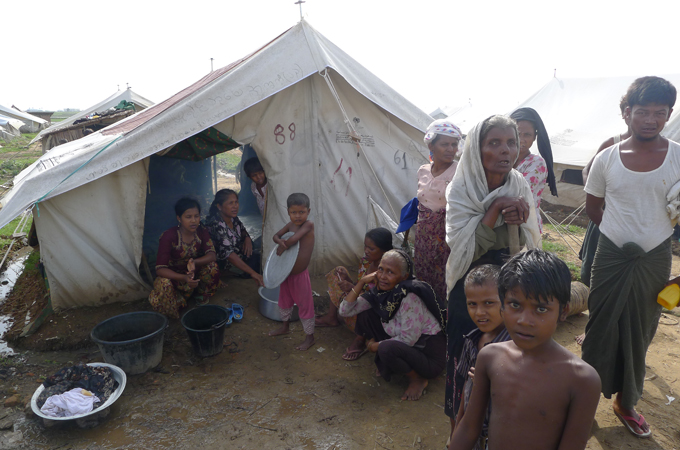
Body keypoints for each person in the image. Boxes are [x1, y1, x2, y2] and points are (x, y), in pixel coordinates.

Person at [582, 76, 678, 438]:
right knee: (599, 327)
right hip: (609, 256)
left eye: (659, 112)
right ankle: (583, 399)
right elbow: (594, 208)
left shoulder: (679, 156)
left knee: (642, 329)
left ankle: (626, 402)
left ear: (669, 113)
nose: (651, 119)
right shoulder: (607, 158)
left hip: (656, 259)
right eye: (642, 111)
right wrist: (618, 235)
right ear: (626, 112)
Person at [450, 250, 601, 450]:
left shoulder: (582, 380)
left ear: (563, 311)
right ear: (502, 306)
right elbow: (469, 427)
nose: (524, 320)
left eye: (541, 309)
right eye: (515, 305)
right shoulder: (489, 357)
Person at [443, 115, 540, 424]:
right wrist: (497, 207)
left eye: (511, 142)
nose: (505, 150)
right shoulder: (461, 189)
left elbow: (523, 241)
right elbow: (464, 247)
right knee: (464, 351)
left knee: (504, 351)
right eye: (494, 143)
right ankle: (458, 425)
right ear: (477, 149)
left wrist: (519, 219)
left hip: (506, 284)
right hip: (469, 286)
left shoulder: (518, 184)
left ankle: (494, 422)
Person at [338, 249, 447, 401]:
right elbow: (345, 311)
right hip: (409, 348)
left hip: (428, 358)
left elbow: (409, 339)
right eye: (380, 269)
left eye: (390, 272)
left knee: (385, 348)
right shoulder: (380, 293)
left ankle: (417, 379)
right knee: (366, 312)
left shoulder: (409, 297)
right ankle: (390, 361)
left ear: (404, 277)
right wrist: (361, 282)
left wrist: (375, 346)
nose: (382, 276)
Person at [575, 95, 631, 346]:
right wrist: (596, 191)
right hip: (604, 217)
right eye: (636, 112)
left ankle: (618, 331)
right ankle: (593, 327)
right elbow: (587, 170)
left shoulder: (662, 150)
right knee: (595, 273)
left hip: (634, 223)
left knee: (625, 276)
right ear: (626, 114)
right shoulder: (613, 143)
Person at [450, 265, 510, 450]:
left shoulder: (515, 348)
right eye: (472, 304)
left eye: (489, 303)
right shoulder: (472, 340)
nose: (479, 312)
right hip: (473, 434)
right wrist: (458, 428)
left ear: (506, 301)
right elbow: (465, 388)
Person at [314, 227, 393, 361]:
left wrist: (352, 288)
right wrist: (349, 281)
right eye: (365, 246)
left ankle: (360, 338)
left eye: (371, 249)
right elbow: (362, 284)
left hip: (370, 316)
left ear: (384, 251)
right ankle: (331, 317)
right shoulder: (366, 262)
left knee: (366, 309)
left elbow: (377, 300)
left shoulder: (386, 273)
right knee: (338, 272)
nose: (366, 250)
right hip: (353, 304)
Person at [415, 119, 463, 300]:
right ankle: (424, 309)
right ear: (431, 146)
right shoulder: (423, 171)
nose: (451, 149)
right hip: (424, 236)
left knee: (445, 278)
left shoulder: (460, 172)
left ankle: (444, 313)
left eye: (454, 144)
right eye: (445, 144)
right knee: (424, 274)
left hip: (447, 238)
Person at [149, 198, 220, 318]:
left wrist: (195, 262)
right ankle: (178, 305)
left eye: (196, 216)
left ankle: (200, 295)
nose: (193, 220)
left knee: (212, 267)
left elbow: (212, 255)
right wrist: (184, 278)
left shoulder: (201, 230)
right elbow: (160, 269)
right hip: (175, 279)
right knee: (163, 284)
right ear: (179, 218)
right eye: (188, 217)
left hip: (193, 275)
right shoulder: (169, 236)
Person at [268, 193, 316, 351]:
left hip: (300, 275)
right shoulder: (290, 225)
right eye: (294, 212)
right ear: (288, 212)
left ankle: (310, 337)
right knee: (285, 300)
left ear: (308, 211)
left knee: (304, 304)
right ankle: (285, 327)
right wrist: (279, 241)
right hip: (286, 273)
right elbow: (275, 236)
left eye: (302, 212)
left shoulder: (308, 225)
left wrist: (283, 245)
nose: (298, 216)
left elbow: (294, 239)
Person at [509, 107, 557, 233]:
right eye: (517, 133)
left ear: (535, 137)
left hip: (525, 224)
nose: (521, 139)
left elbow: (519, 194)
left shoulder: (537, 163)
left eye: (527, 135)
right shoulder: (503, 158)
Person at [203, 189, 264, 286]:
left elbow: (243, 229)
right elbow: (229, 254)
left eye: (236, 202)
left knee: (259, 255)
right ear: (219, 206)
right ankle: (226, 272)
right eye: (230, 203)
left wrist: (247, 238)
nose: (235, 206)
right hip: (223, 261)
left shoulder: (232, 218)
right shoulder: (216, 224)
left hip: (237, 253)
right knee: (256, 266)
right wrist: (253, 273)